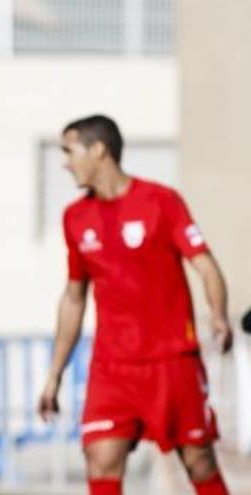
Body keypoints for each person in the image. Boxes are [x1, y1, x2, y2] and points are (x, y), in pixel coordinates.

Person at [38, 115, 232, 495]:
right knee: (101, 458)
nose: (64, 162)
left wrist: (219, 315)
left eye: (68, 150)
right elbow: (74, 297)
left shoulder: (162, 201)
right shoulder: (75, 218)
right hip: (112, 368)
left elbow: (205, 265)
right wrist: (55, 373)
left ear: (98, 150)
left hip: (171, 361)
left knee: (199, 461)